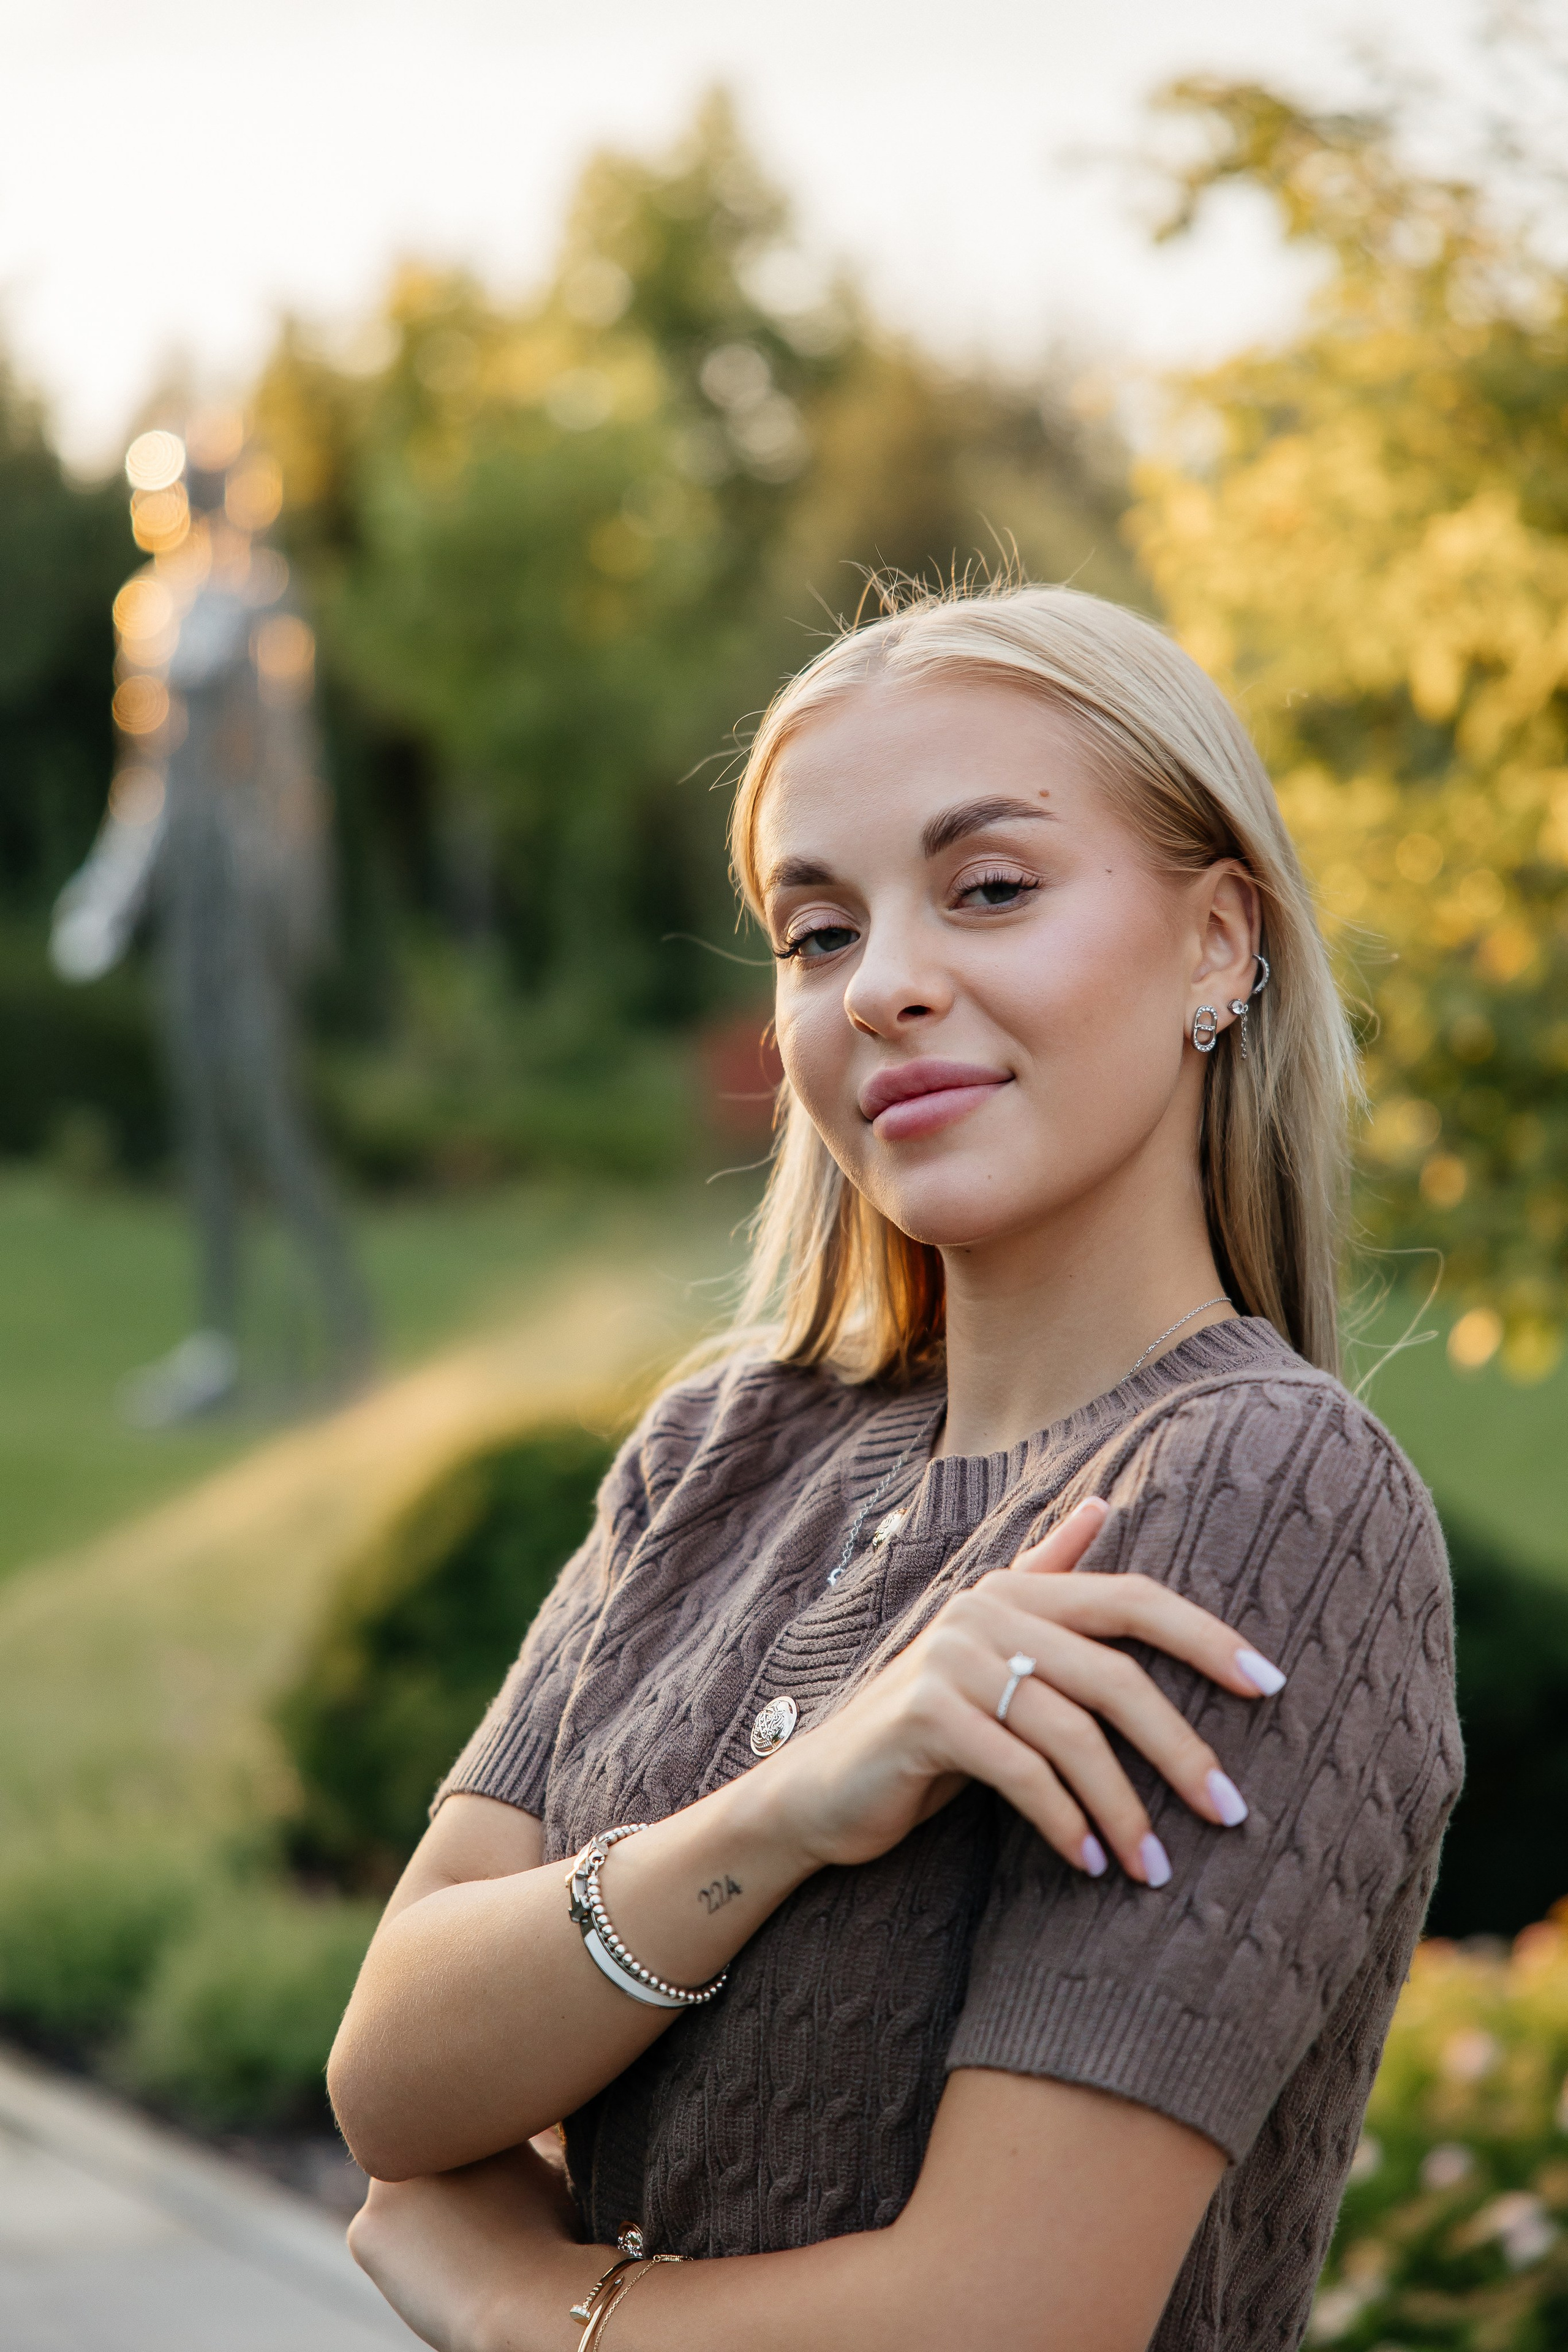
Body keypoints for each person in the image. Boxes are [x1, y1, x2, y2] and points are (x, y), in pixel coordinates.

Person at [331, 583, 1462, 2352]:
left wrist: (528, 2312)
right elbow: (394, 2074)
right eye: (816, 932)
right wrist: (788, 1810)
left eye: (991, 888)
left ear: (1218, 944)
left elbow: (1003, 2317)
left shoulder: (1250, 1490)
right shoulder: (715, 1455)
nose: (887, 986)